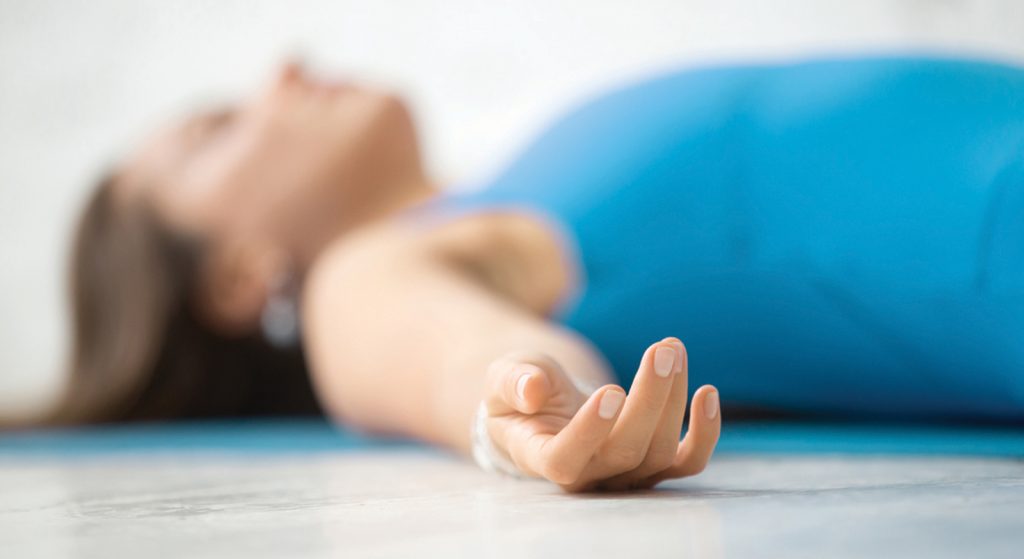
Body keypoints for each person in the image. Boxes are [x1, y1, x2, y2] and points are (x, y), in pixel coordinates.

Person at [58, 55, 1024, 492]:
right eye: (217, 128)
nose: (283, 69)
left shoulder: (502, 187)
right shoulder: (363, 272)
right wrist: (531, 403)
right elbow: (431, 341)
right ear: (236, 279)